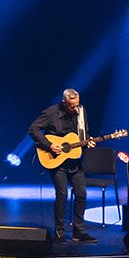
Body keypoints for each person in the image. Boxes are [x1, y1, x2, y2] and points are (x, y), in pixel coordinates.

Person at [28, 87, 99, 244]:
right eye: (71, 106)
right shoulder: (51, 112)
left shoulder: (81, 112)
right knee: (62, 195)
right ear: (63, 102)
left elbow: (82, 136)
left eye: (76, 105)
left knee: (81, 194)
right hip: (55, 160)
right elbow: (33, 129)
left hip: (74, 160)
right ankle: (59, 233)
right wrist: (49, 145)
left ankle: (79, 232)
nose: (75, 109)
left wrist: (89, 142)